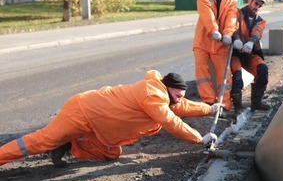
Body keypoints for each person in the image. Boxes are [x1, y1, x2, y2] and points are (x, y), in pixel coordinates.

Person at [0, 71, 219, 169]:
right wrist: (199, 139)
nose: (180, 99)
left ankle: (70, 144)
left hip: (97, 126)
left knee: (111, 153)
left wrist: (209, 109)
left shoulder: (165, 95)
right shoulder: (153, 95)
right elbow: (172, 121)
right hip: (81, 112)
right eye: (178, 94)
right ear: (168, 88)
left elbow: (183, 106)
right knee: (40, 141)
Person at [193, 0, 238, 116]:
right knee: (202, 71)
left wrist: (228, 33)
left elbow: (232, 17)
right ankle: (209, 102)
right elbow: (206, 14)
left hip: (221, 43)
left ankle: (224, 105)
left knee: (223, 74)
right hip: (204, 40)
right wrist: (214, 30)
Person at [230, 0, 270, 113]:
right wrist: (236, 39)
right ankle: (237, 108)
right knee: (237, 79)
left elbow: (258, 31)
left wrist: (251, 42)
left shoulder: (260, 20)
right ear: (250, 1)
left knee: (262, 70)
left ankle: (256, 102)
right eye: (256, 3)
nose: (257, 7)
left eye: (260, 5)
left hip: (250, 53)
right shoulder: (237, 14)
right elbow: (232, 27)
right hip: (235, 54)